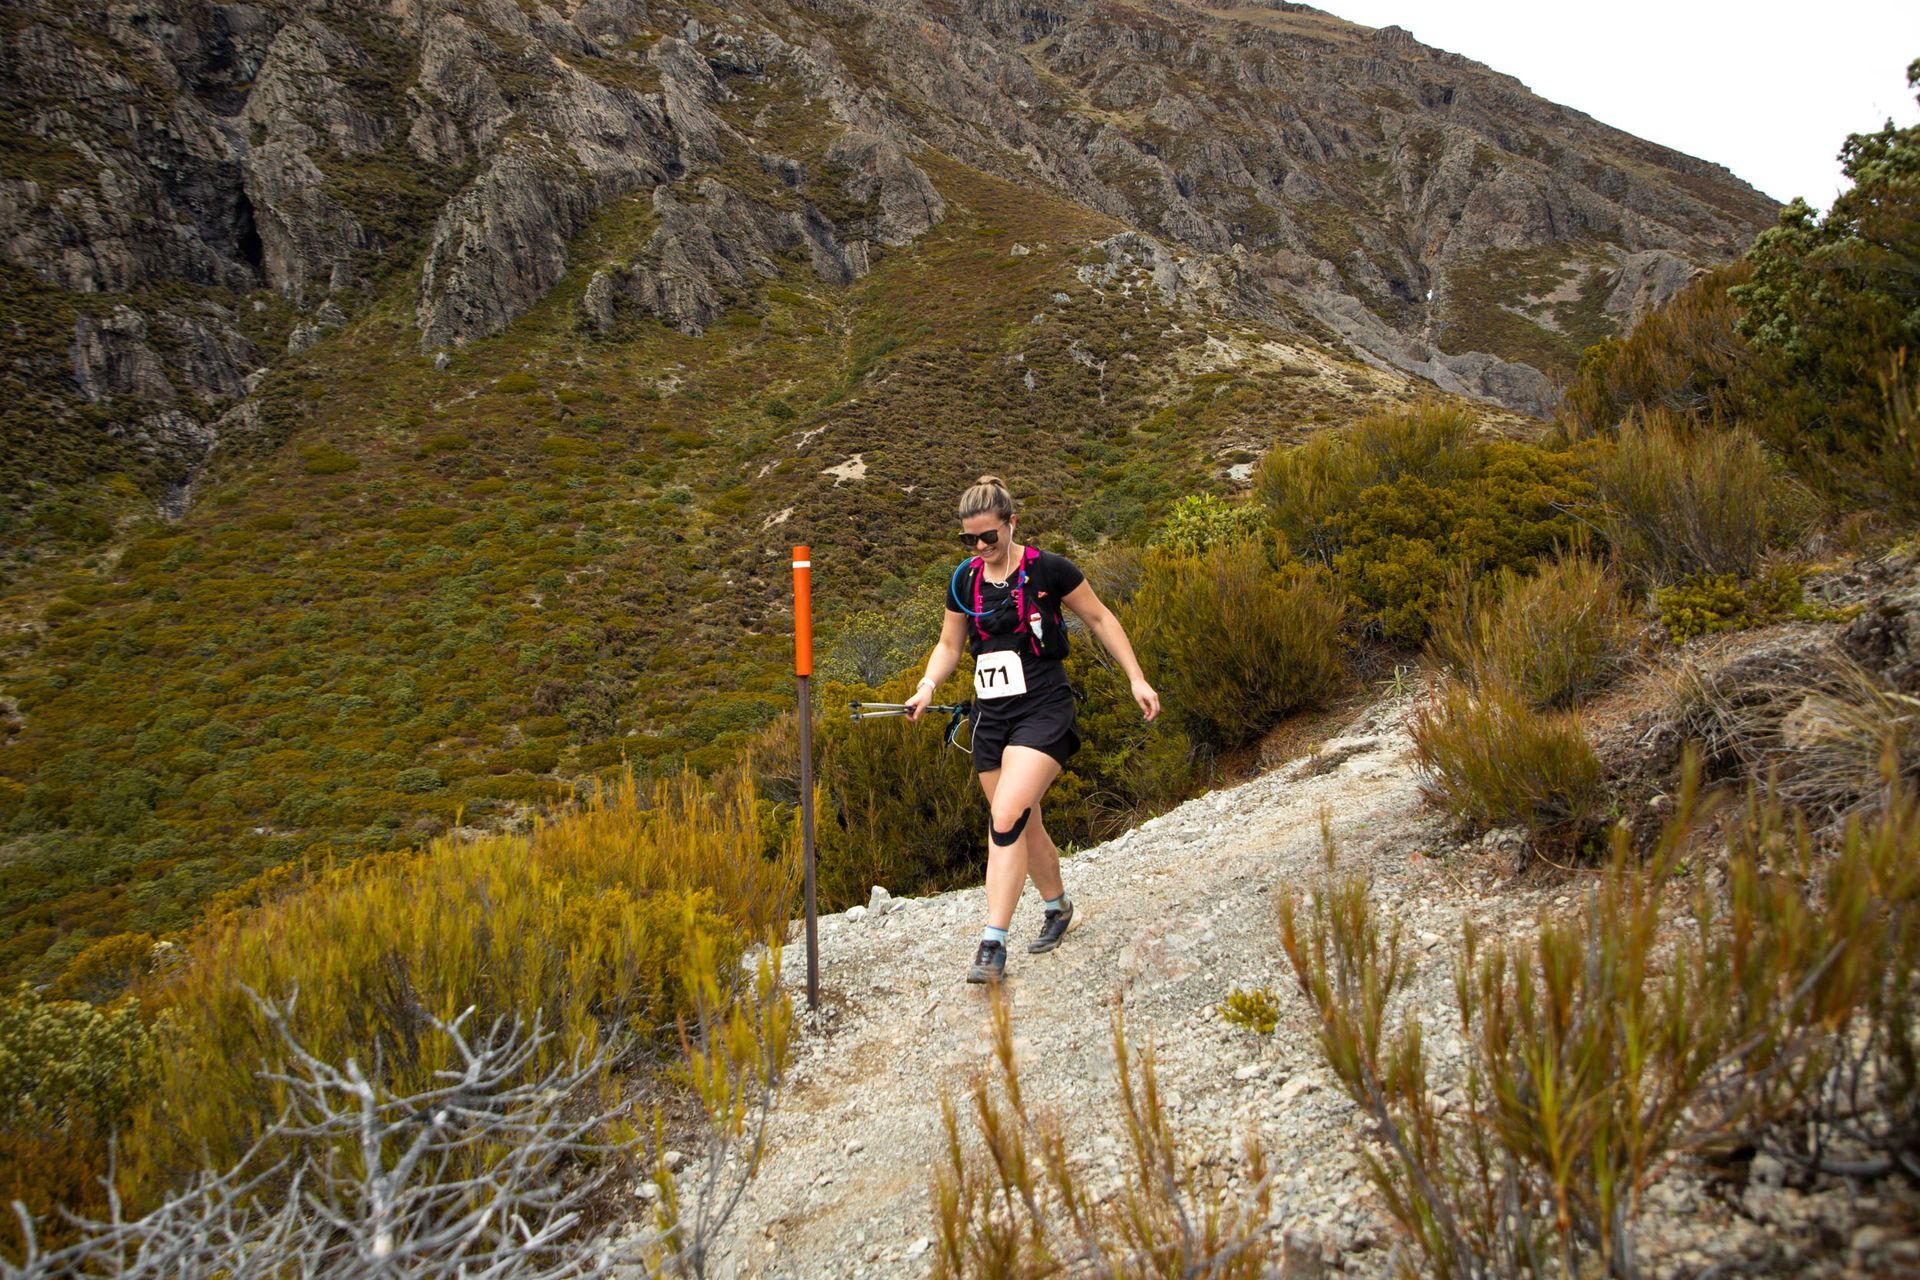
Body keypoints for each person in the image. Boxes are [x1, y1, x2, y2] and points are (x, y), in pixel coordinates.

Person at [904, 475, 1160, 983]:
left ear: (1011, 523)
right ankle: (1058, 907)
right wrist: (928, 685)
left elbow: (1101, 618)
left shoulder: (1049, 569)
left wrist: (1136, 677)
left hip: (1044, 707)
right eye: (969, 540)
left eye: (988, 537)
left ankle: (991, 944)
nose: (980, 548)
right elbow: (950, 645)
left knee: (1005, 815)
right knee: (1024, 822)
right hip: (990, 716)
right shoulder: (964, 581)